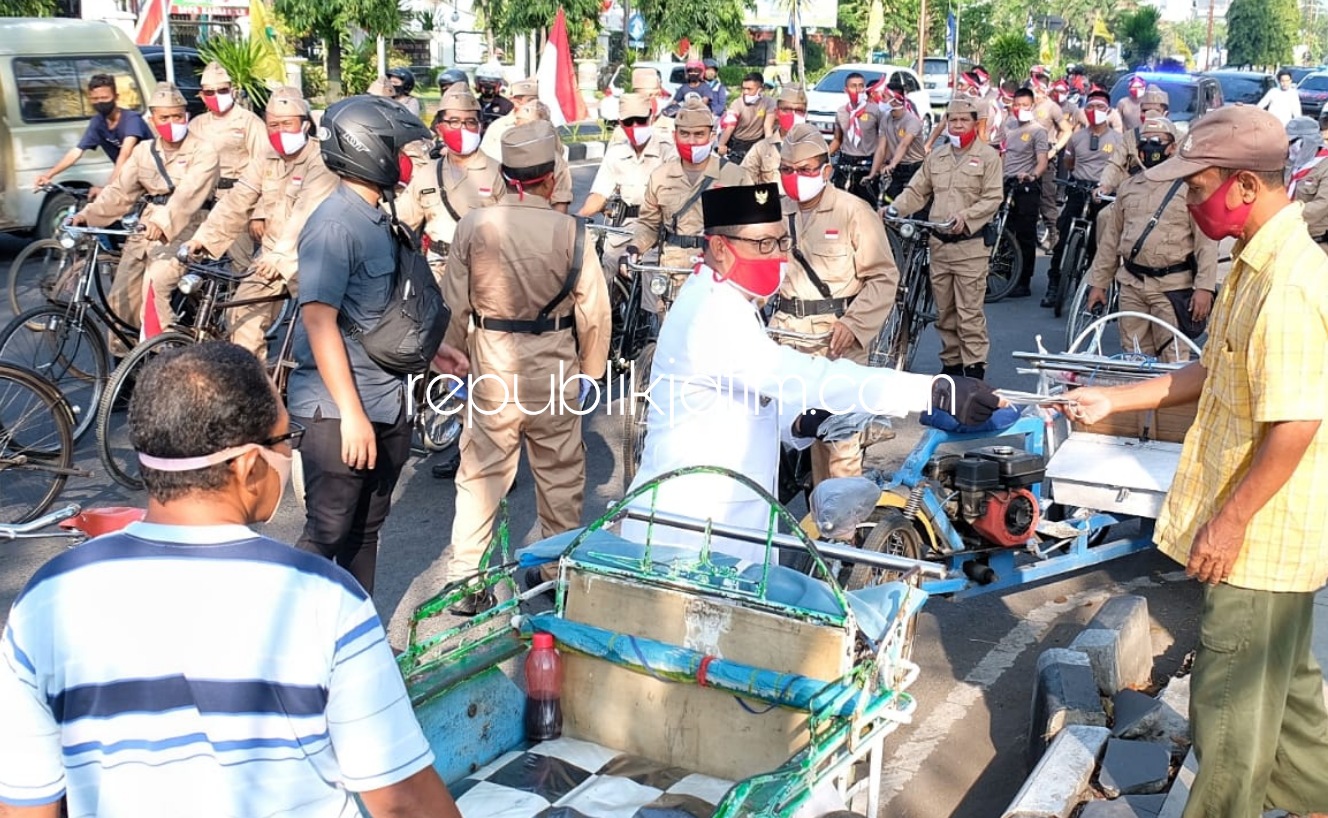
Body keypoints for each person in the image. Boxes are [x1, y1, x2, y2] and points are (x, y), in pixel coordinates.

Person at [0, 341, 462, 818]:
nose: (290, 454)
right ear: (248, 465)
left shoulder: (46, 598)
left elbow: (26, 805)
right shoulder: (326, 598)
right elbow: (402, 802)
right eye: (288, 439)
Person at [1064, 105, 1328, 818]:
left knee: (1229, 715)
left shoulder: (1290, 287)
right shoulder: (1257, 260)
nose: (1186, 198)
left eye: (1198, 184)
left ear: (1245, 185)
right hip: (1270, 541)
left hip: (1262, 542)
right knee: (1294, 701)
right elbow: (1210, 372)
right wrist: (1112, 401)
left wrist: (1229, 524)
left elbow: (1298, 421)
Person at [625, 183, 1000, 562]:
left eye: (781, 242)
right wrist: (930, 391)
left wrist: (799, 423)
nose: (778, 257)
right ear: (721, 247)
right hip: (690, 534)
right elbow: (802, 376)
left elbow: (741, 398)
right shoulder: (709, 313)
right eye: (763, 244)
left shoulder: (733, 301)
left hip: (723, 524)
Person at [288, 95, 466, 595]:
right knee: (327, 531)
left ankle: (354, 641)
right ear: (369, 149)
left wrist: (435, 354)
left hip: (387, 402)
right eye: (397, 148)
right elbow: (320, 321)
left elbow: (380, 312)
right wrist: (351, 414)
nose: (405, 160)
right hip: (339, 412)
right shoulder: (333, 225)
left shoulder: (377, 216)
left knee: (366, 533)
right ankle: (282, 647)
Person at [443, 120, 610, 614]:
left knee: (480, 475)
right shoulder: (572, 231)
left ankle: (467, 581)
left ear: (507, 174)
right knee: (560, 474)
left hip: (493, 361)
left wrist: (452, 359)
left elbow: (454, 304)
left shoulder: (474, 224)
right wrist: (591, 372)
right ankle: (554, 574)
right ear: (550, 176)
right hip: (555, 365)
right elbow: (595, 311)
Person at [773, 124, 900, 482]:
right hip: (785, 338)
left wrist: (854, 325)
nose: (796, 178)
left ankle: (841, 536)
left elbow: (883, 277)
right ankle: (811, 522)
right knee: (783, 438)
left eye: (807, 170)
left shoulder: (853, 212)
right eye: (787, 170)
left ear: (826, 171)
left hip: (835, 342)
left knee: (838, 451)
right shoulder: (774, 211)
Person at [183, 86, 338, 359]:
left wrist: (279, 257)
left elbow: (304, 213)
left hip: (314, 258)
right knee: (240, 316)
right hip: (270, 255)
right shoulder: (266, 156)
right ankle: (258, 390)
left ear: (304, 125)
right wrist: (203, 239)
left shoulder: (320, 159)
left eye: (286, 124)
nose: (279, 132)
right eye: (273, 125)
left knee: (316, 334)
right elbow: (238, 198)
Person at [70, 82, 219, 339]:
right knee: (121, 297)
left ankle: (164, 357)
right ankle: (124, 369)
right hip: (144, 227)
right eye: (164, 117)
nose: (171, 122)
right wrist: (87, 215)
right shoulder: (143, 152)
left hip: (188, 227)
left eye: (177, 116)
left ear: (187, 116)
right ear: (152, 119)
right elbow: (120, 192)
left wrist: (161, 224)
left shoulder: (204, 151)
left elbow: (186, 196)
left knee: (155, 287)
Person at [1083, 117, 1217, 362]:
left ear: (1173, 147)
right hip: (1132, 285)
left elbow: (1206, 243)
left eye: (1157, 141)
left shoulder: (1190, 189)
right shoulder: (1129, 187)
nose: (1150, 146)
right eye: (1144, 141)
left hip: (1171, 288)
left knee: (1173, 359)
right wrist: (1099, 284)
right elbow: (1111, 241)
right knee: (1134, 357)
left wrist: (1204, 288)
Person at [889, 97, 1003, 379]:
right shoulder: (936, 157)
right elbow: (917, 191)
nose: (957, 125)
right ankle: (951, 369)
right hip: (939, 246)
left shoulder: (988, 157)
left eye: (963, 120)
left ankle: (974, 372)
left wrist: (965, 217)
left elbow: (992, 198)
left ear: (975, 124)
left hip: (971, 248)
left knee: (969, 315)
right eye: (952, 120)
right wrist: (894, 208)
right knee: (945, 314)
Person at [629, 99, 750, 306]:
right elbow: (649, 224)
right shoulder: (661, 176)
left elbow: (750, 232)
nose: (691, 141)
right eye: (684, 134)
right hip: (672, 275)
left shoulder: (735, 176)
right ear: (675, 135)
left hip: (718, 274)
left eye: (699, 134)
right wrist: (633, 249)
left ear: (712, 136)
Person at [398, 85, 503, 284]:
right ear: (440, 128)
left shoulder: (497, 172)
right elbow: (404, 220)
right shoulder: (427, 172)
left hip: (482, 269)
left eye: (470, 122)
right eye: (453, 122)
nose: (462, 128)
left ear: (480, 127)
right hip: (436, 269)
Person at [186, 62, 270, 274]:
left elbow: (267, 169)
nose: (216, 95)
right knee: (192, 263)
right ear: (202, 95)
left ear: (232, 90)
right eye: (210, 92)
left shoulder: (249, 122)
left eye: (222, 90)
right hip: (202, 203)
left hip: (236, 202)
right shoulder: (196, 125)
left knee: (241, 265)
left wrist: (259, 213)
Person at [580, 92, 677, 273]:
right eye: (628, 121)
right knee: (603, 272)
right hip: (625, 226)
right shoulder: (616, 153)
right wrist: (576, 220)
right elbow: (599, 194)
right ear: (620, 122)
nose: (634, 126)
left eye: (640, 120)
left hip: (658, 227)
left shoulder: (667, 151)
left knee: (651, 285)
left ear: (651, 117)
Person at [1044, 89, 1123, 307]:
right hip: (1078, 191)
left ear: (1109, 111)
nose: (1094, 111)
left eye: (1099, 107)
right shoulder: (1077, 138)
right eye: (1090, 107)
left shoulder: (1119, 139)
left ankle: (1102, 289)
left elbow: (1124, 168)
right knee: (1062, 239)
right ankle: (1054, 287)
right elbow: (1069, 163)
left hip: (1104, 197)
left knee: (1103, 244)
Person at [35, 73, 153, 190]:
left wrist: (108, 188)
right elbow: (77, 151)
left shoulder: (131, 120)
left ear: (116, 97)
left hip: (152, 176)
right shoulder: (98, 122)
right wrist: (49, 175)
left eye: (105, 98)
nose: (100, 102)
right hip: (130, 178)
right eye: (95, 99)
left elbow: (125, 154)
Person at [998, 88, 1050, 300]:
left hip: (1026, 186)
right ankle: (1006, 275)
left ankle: (1023, 280)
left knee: (1025, 234)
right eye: (1016, 105)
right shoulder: (1007, 125)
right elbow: (1002, 153)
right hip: (1006, 183)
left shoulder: (1038, 131)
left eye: (1024, 105)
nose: (1020, 109)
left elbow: (1042, 161)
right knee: (1003, 230)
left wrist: (1032, 176)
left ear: (1032, 106)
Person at [1100, 85, 1170, 194]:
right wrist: (1105, 185)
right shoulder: (1129, 137)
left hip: (1163, 194)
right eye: (1144, 110)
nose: (1149, 114)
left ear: (1165, 114)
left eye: (1155, 111)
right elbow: (1115, 163)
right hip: (1132, 192)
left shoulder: (1177, 138)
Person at [1031, 76, 1073, 255]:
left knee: (1046, 197)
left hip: (1046, 153)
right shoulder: (1027, 105)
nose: (1035, 92)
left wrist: (1055, 149)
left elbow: (1067, 130)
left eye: (1037, 89)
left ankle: (1054, 236)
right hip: (1027, 153)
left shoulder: (1052, 107)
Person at [827, 72, 883, 204]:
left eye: (861, 86)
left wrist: (882, 162)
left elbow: (884, 142)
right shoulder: (841, 112)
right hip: (846, 161)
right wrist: (824, 156)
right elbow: (837, 139)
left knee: (867, 204)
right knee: (839, 202)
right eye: (853, 86)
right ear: (846, 90)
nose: (857, 90)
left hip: (867, 163)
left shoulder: (876, 111)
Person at [512, 101, 575, 213]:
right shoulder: (508, 153)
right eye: (516, 121)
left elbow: (560, 206)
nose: (515, 125)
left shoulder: (555, 162)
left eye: (520, 121)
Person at [868, 83, 927, 202]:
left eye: (884, 97)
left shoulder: (912, 121)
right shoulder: (886, 118)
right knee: (889, 201)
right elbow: (881, 148)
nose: (881, 100)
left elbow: (904, 145)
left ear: (894, 102)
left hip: (914, 167)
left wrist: (892, 164)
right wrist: (873, 173)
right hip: (897, 168)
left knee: (913, 204)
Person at [742, 84, 807, 184]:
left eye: (799, 111)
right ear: (777, 113)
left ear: (806, 115)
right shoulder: (761, 149)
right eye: (786, 110)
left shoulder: (816, 148)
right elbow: (743, 181)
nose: (792, 115)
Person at [1286, 115, 1328, 252]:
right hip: (1287, 236)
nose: (1289, 147)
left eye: (1292, 142)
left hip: (1315, 243)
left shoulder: (1324, 166)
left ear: (1307, 142)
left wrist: (1284, 215)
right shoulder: (1291, 163)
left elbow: (1322, 205)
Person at [718, 72, 774, 163]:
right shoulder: (737, 104)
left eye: (749, 89)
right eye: (744, 89)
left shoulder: (769, 103)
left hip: (757, 143)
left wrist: (769, 149)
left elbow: (768, 127)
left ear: (761, 89)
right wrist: (721, 145)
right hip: (737, 145)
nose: (745, 92)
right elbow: (730, 126)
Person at [479, 77, 539, 161]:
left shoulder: (546, 125)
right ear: (514, 101)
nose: (533, 104)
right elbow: (485, 157)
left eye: (535, 99)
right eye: (529, 100)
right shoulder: (498, 126)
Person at [475, 65, 513, 134]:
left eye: (492, 82)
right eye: (483, 81)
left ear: (499, 85)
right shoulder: (472, 104)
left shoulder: (506, 106)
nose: (487, 87)